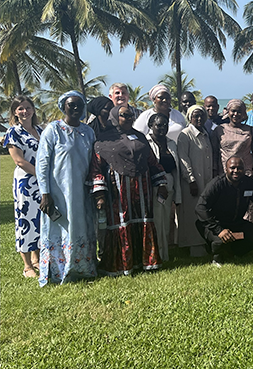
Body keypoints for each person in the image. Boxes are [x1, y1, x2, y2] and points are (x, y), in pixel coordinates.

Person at [91, 105, 168, 276]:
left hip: (142, 190)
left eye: (131, 115)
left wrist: (161, 183)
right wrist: (100, 194)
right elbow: (96, 168)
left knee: (143, 221)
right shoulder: (103, 140)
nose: (129, 118)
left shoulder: (139, 137)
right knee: (121, 222)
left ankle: (145, 262)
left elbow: (152, 162)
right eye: (124, 115)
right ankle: (123, 265)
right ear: (114, 117)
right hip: (117, 192)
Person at [36, 91, 97, 286]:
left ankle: (83, 268)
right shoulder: (53, 130)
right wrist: (45, 193)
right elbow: (42, 164)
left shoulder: (88, 132)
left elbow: (93, 162)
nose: (76, 108)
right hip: (58, 192)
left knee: (82, 226)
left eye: (79, 105)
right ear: (64, 106)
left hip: (82, 191)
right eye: (72, 105)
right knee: (60, 227)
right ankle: (58, 271)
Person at [195, 157, 253, 266]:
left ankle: (234, 252)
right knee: (220, 241)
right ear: (226, 169)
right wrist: (219, 230)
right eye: (232, 168)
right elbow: (200, 207)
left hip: (237, 223)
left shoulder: (249, 183)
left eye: (239, 168)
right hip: (214, 224)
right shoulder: (216, 184)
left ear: (244, 170)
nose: (236, 171)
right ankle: (217, 257)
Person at [4, 96, 43, 278]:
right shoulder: (14, 133)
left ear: (33, 109)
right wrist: (41, 175)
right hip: (26, 183)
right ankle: (27, 265)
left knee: (40, 219)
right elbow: (19, 161)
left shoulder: (40, 130)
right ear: (14, 112)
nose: (25, 111)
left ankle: (37, 259)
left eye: (27, 107)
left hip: (43, 183)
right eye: (20, 108)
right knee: (26, 220)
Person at [177, 105, 216, 257]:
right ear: (189, 118)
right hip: (192, 182)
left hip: (206, 180)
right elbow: (183, 159)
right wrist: (191, 179)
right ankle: (193, 246)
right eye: (195, 116)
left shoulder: (205, 134)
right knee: (192, 213)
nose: (199, 119)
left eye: (202, 116)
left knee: (204, 212)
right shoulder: (185, 135)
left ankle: (205, 242)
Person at [146, 113, 183, 262]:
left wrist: (177, 194)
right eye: (158, 125)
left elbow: (176, 168)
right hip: (153, 185)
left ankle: (165, 254)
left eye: (165, 125)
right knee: (156, 221)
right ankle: (156, 255)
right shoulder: (146, 143)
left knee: (166, 221)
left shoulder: (171, 143)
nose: (162, 128)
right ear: (150, 126)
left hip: (169, 184)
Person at [213, 99, 253, 179]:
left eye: (239, 111)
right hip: (224, 174)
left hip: (246, 173)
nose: (236, 114)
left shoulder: (251, 130)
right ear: (228, 112)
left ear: (243, 113)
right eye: (233, 111)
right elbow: (214, 154)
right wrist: (214, 172)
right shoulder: (219, 129)